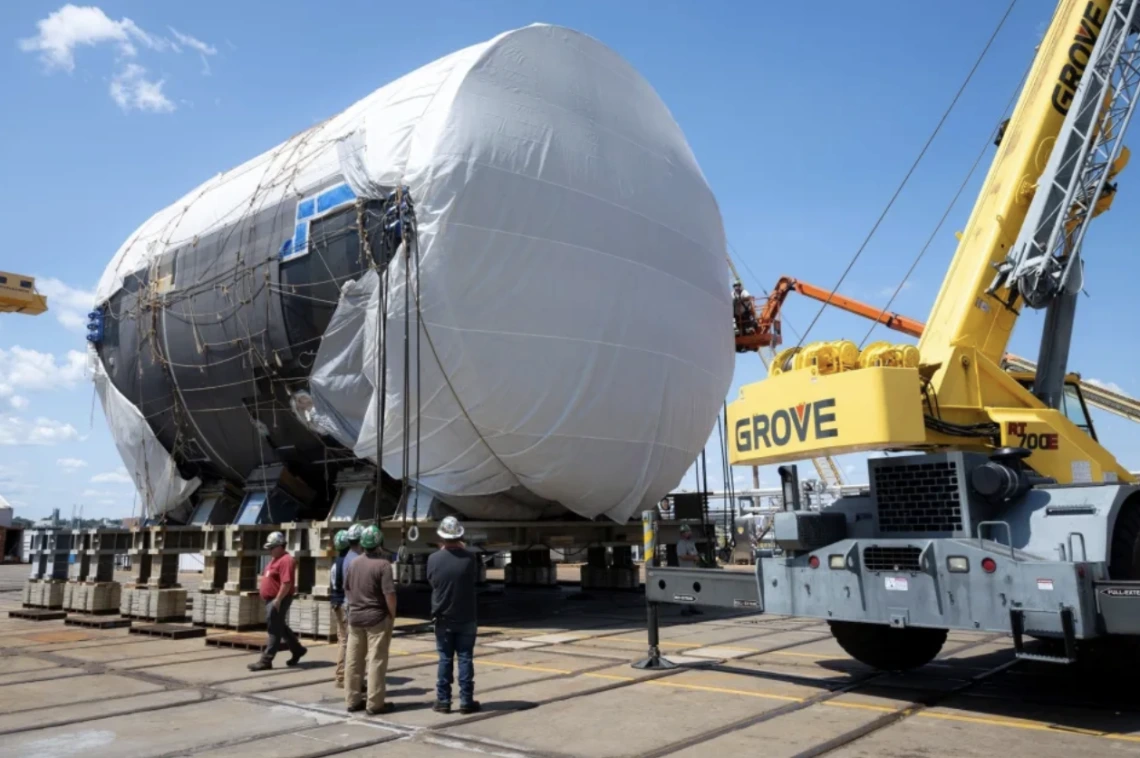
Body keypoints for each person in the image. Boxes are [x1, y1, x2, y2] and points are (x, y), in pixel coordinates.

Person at [427, 515, 480, 715]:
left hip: (443, 617)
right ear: (460, 536)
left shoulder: (433, 559)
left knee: (445, 659)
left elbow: (432, 581)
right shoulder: (470, 558)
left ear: (441, 537)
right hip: (466, 616)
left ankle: (443, 700)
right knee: (465, 658)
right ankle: (466, 700)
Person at [344, 525, 397, 715]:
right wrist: (392, 614)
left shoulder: (353, 563)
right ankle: (375, 704)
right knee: (376, 660)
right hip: (376, 619)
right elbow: (389, 594)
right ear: (379, 544)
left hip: (355, 618)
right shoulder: (383, 565)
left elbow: (347, 589)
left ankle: (352, 700)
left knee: (353, 660)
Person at [248, 531, 307, 671]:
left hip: (278, 599)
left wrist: (278, 600)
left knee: (274, 629)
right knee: (280, 626)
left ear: (281, 546)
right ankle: (297, 649)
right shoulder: (274, 560)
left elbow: (286, 583)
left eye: (272, 547)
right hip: (271, 599)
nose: (269, 550)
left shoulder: (286, 560)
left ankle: (266, 660)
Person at [329, 529, 351, 688]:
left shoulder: (335, 563)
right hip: (345, 604)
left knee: (342, 640)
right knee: (347, 641)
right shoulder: (348, 563)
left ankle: (341, 674)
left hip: (336, 603)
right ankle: (342, 676)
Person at [676, 525, 703, 617]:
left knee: (693, 589)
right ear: (683, 534)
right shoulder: (681, 544)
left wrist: (697, 557)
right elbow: (682, 556)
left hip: (693, 570)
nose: (689, 533)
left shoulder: (691, 543)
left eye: (689, 531)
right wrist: (693, 557)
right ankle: (684, 609)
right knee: (685, 590)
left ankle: (692, 607)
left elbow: (694, 553)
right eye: (687, 532)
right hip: (685, 570)